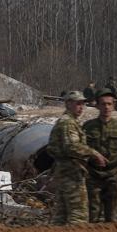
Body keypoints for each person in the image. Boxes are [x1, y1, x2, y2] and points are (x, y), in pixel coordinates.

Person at [47, 91, 108, 225]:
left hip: (66, 172)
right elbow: (72, 146)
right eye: (78, 103)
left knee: (61, 216)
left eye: (83, 104)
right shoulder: (68, 123)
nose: (81, 107)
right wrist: (94, 153)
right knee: (78, 215)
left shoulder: (69, 122)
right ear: (68, 104)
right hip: (71, 173)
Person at [82, 90, 117, 222]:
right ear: (98, 106)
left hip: (114, 178)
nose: (106, 107)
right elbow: (81, 151)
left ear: (113, 106)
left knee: (111, 218)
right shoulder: (88, 127)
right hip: (93, 178)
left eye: (109, 104)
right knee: (91, 217)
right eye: (103, 104)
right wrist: (85, 171)